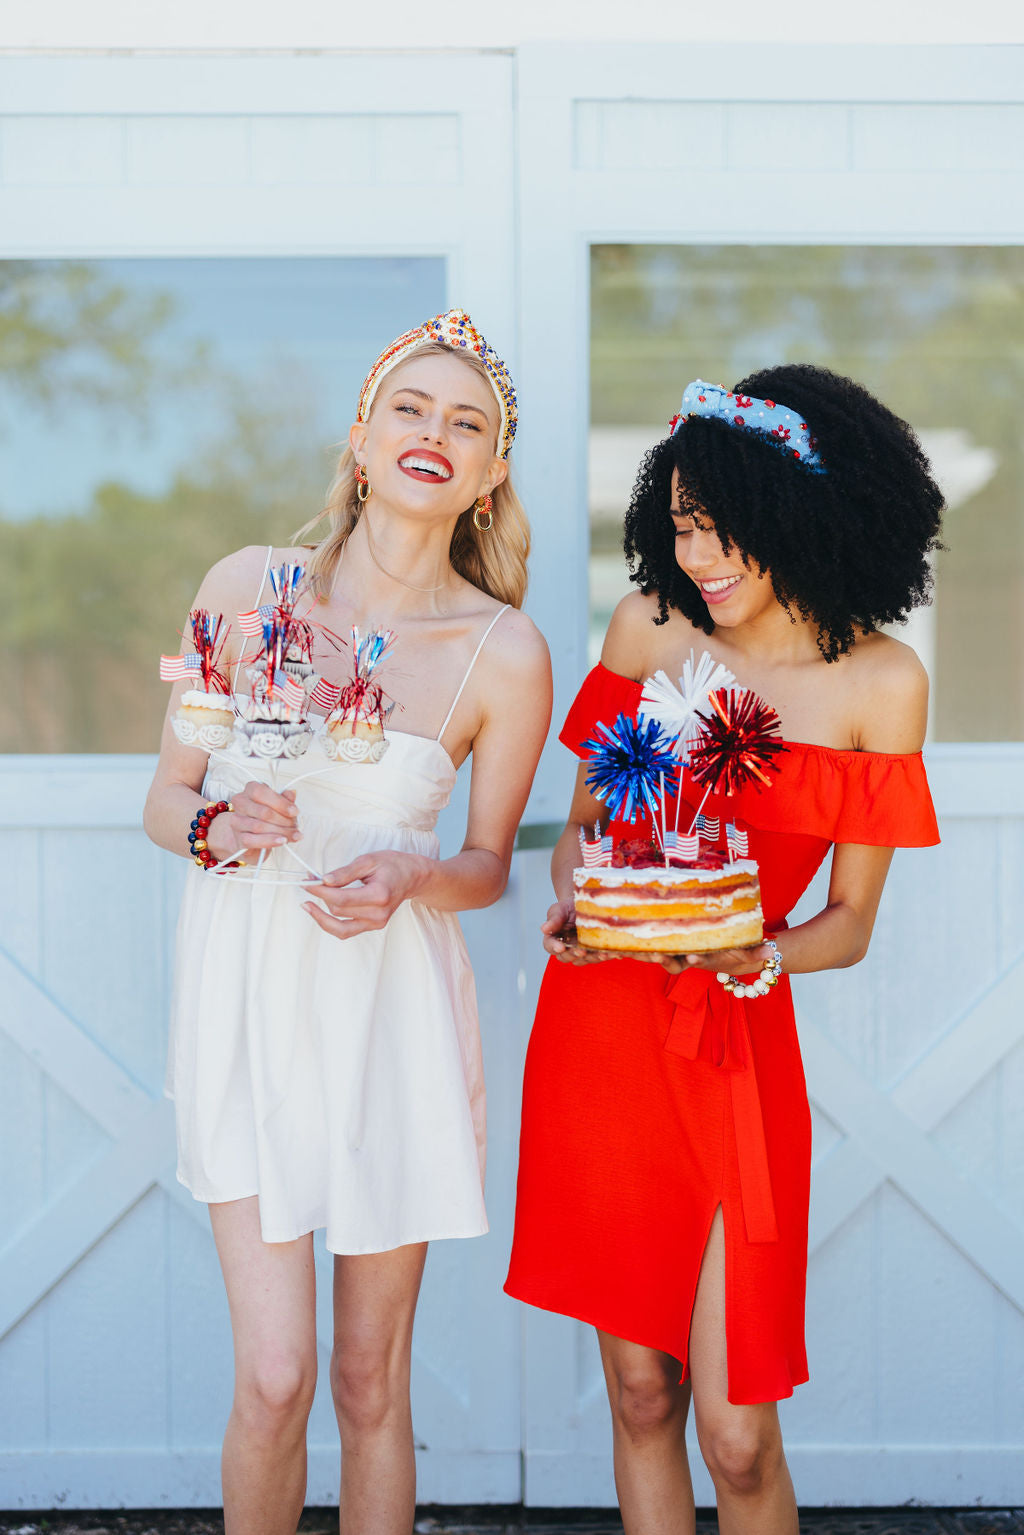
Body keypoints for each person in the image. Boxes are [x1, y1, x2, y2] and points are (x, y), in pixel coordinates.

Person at [505, 366, 942, 1534]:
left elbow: (847, 924)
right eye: (685, 522)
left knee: (738, 1436)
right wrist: (573, 900)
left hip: (735, 1048)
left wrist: (761, 953)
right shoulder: (649, 628)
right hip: (601, 1032)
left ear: (814, 510)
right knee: (642, 1390)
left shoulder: (880, 681)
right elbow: (583, 831)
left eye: (726, 523)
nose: (700, 553)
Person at [144, 309, 551, 1535]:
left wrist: (411, 879)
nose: (437, 432)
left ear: (488, 477)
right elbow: (166, 801)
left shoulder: (504, 651)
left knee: (372, 1379)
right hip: (249, 998)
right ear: (362, 442)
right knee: (275, 1378)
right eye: (411, 409)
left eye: (467, 423)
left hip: (391, 1015)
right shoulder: (246, 588)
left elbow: (487, 864)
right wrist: (223, 825)